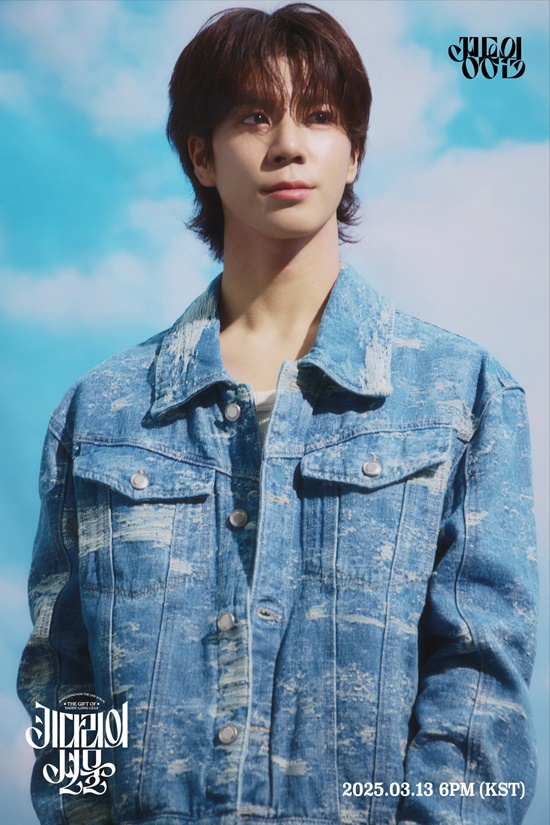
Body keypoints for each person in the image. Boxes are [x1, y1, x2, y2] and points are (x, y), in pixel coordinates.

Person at [18, 4, 538, 824]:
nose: (289, 144)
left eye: (320, 116)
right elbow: (64, 676)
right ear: (200, 155)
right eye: (254, 117)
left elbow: (479, 678)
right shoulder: (100, 414)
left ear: (354, 151)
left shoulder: (462, 394)